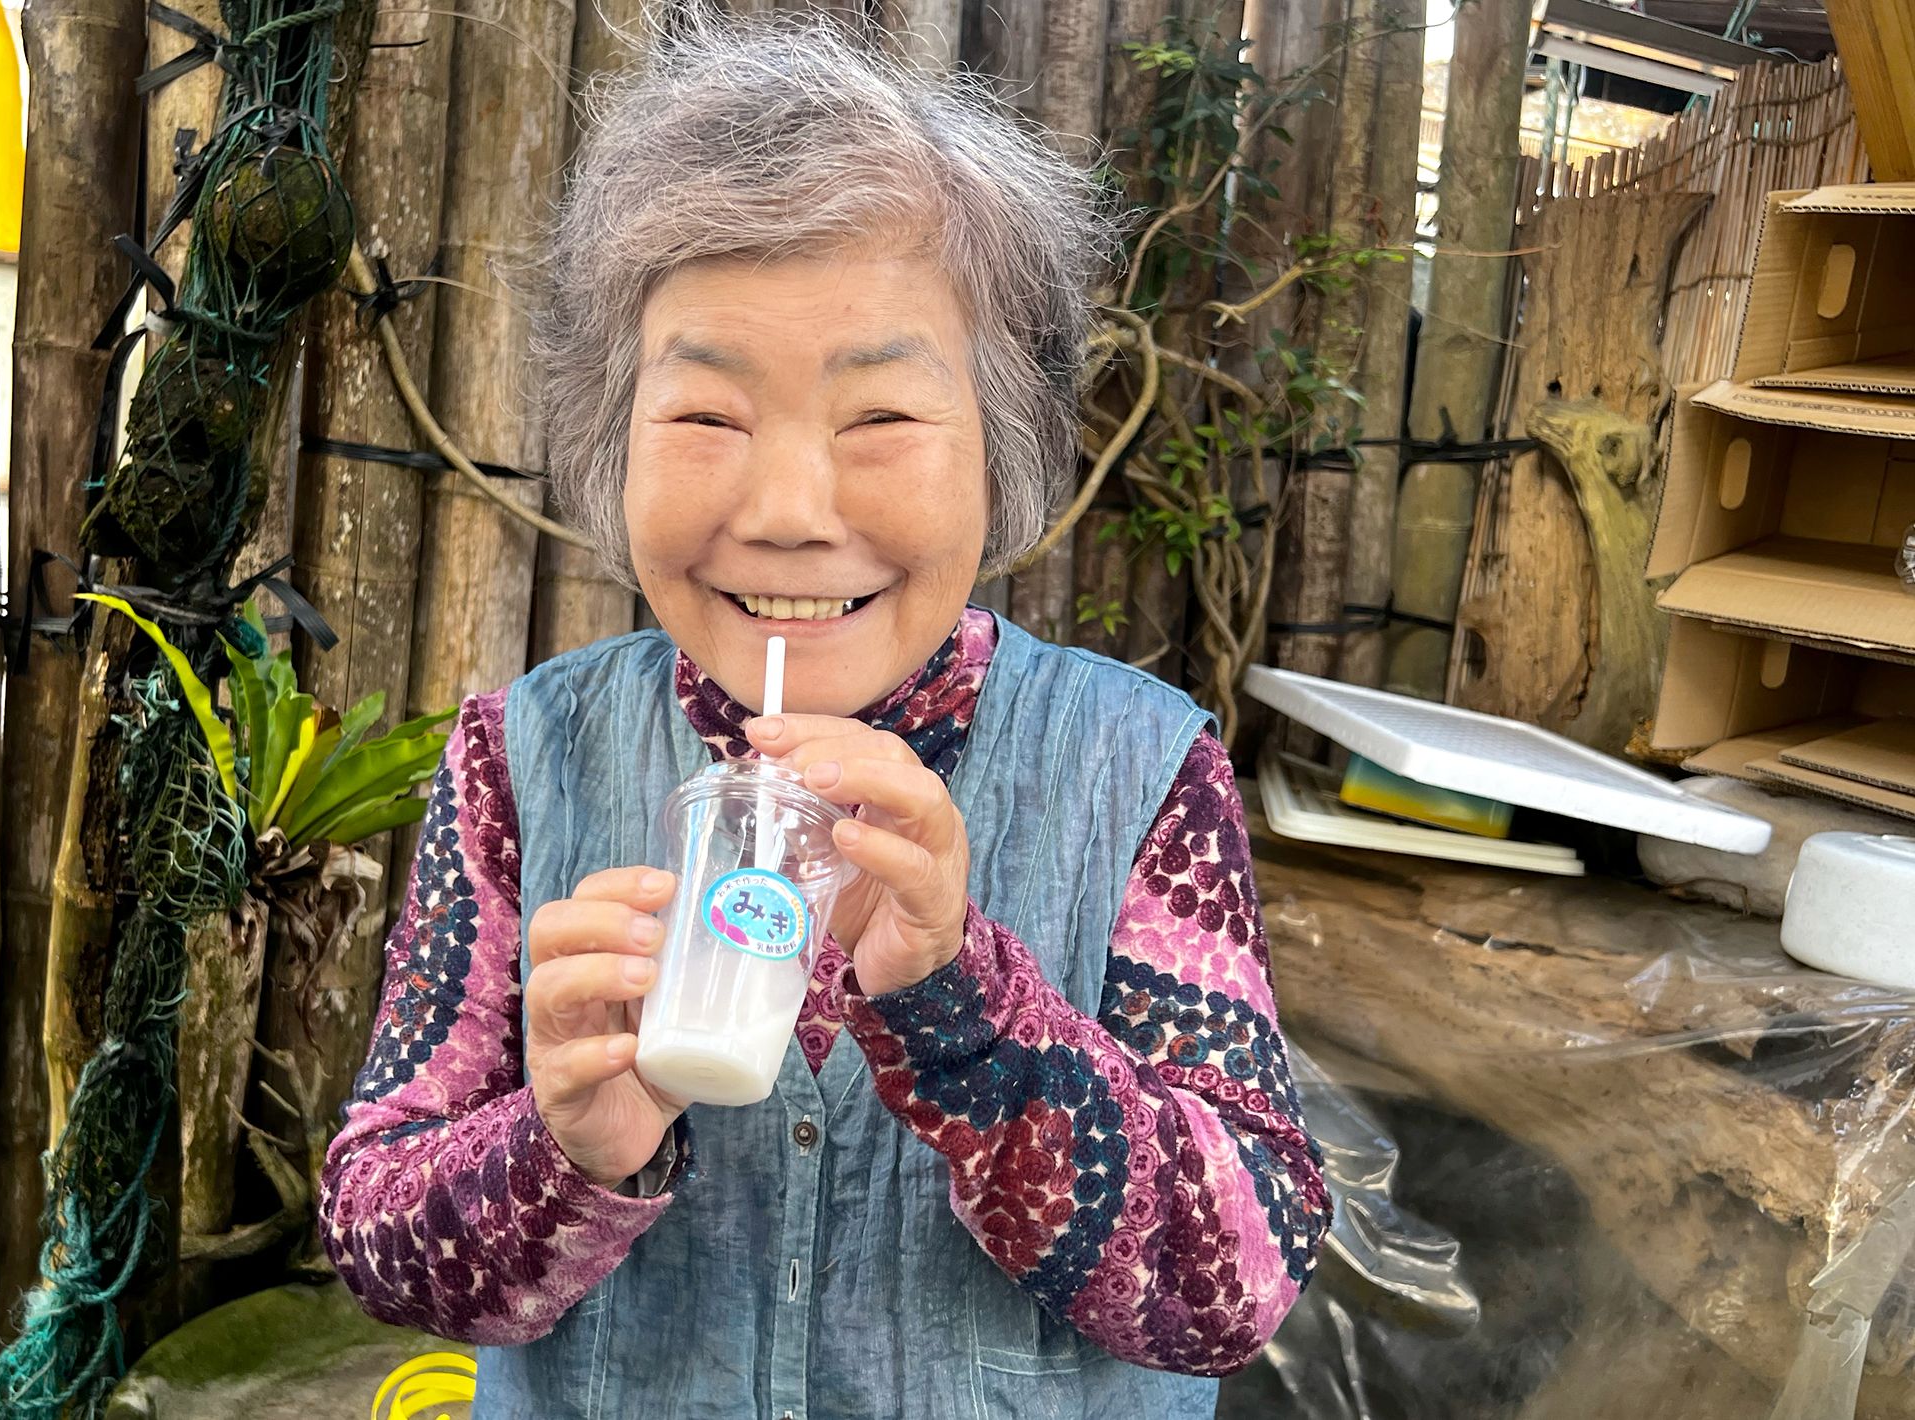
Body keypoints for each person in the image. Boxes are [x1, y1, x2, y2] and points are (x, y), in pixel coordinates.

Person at [321, 15, 1331, 1418]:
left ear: (1004, 448)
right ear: (613, 437)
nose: (790, 512)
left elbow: (1241, 1283)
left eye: (882, 422)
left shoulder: (1143, 771)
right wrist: (562, 1151)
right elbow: (381, 1243)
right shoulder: (519, 761)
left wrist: (968, 1020)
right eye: (705, 420)